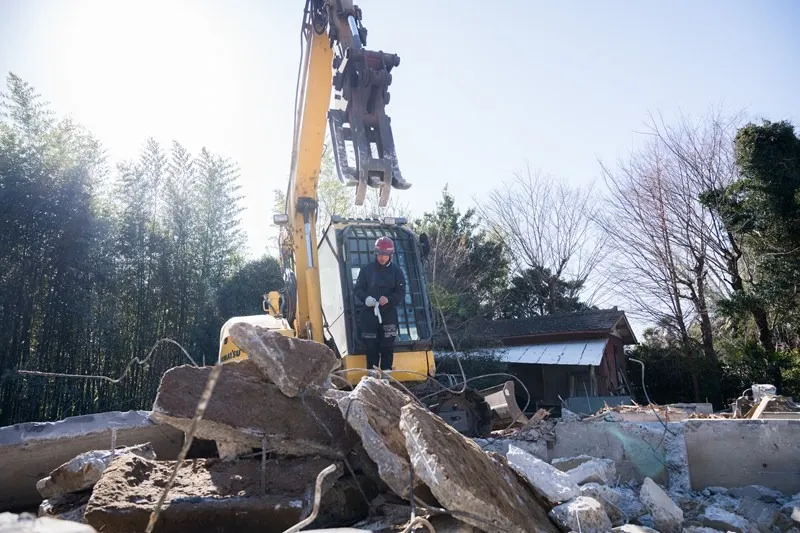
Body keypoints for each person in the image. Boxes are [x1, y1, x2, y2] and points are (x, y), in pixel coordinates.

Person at [353, 236, 406, 373]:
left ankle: (386, 378)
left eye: (385, 254)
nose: (382, 257)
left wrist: (389, 299)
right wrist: (366, 299)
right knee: (371, 349)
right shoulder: (366, 270)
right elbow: (358, 289)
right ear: (375, 253)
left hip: (389, 315)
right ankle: (372, 379)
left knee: (387, 348)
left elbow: (401, 293)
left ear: (391, 255)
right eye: (380, 254)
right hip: (369, 316)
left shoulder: (397, 272)